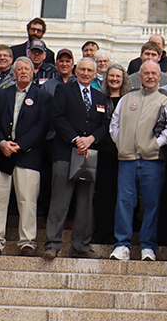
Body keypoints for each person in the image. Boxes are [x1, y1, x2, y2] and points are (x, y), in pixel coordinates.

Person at [109, 60, 167, 262]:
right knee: (124, 202)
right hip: (127, 159)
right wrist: (121, 143)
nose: (149, 76)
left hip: (152, 160)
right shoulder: (127, 97)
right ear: (139, 76)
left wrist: (154, 145)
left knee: (151, 204)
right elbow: (115, 124)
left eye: (153, 73)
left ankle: (148, 246)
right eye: (145, 73)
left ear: (159, 76)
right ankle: (122, 245)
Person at [44, 57, 108, 259]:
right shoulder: (64, 90)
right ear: (75, 70)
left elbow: (104, 124)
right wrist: (75, 139)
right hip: (66, 152)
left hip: (88, 155)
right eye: (83, 69)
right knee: (60, 201)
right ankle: (53, 244)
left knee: (85, 202)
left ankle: (81, 245)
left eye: (90, 70)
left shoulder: (100, 97)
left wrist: (91, 139)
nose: (86, 73)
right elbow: (56, 116)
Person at [0, 57, 50, 256]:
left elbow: (42, 126)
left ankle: (27, 242)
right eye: (19, 69)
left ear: (33, 73)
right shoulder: (1, 95)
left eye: (27, 69)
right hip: (3, 154)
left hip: (28, 157)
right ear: (14, 73)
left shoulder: (43, 97)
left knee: (27, 200)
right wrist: (1, 143)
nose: (23, 71)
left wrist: (21, 145)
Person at [92, 63, 127, 245]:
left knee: (119, 194)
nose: (114, 79)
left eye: (118, 76)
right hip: (103, 153)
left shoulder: (128, 100)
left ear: (123, 79)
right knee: (103, 194)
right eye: (111, 76)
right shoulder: (99, 98)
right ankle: (100, 231)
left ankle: (115, 231)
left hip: (122, 153)